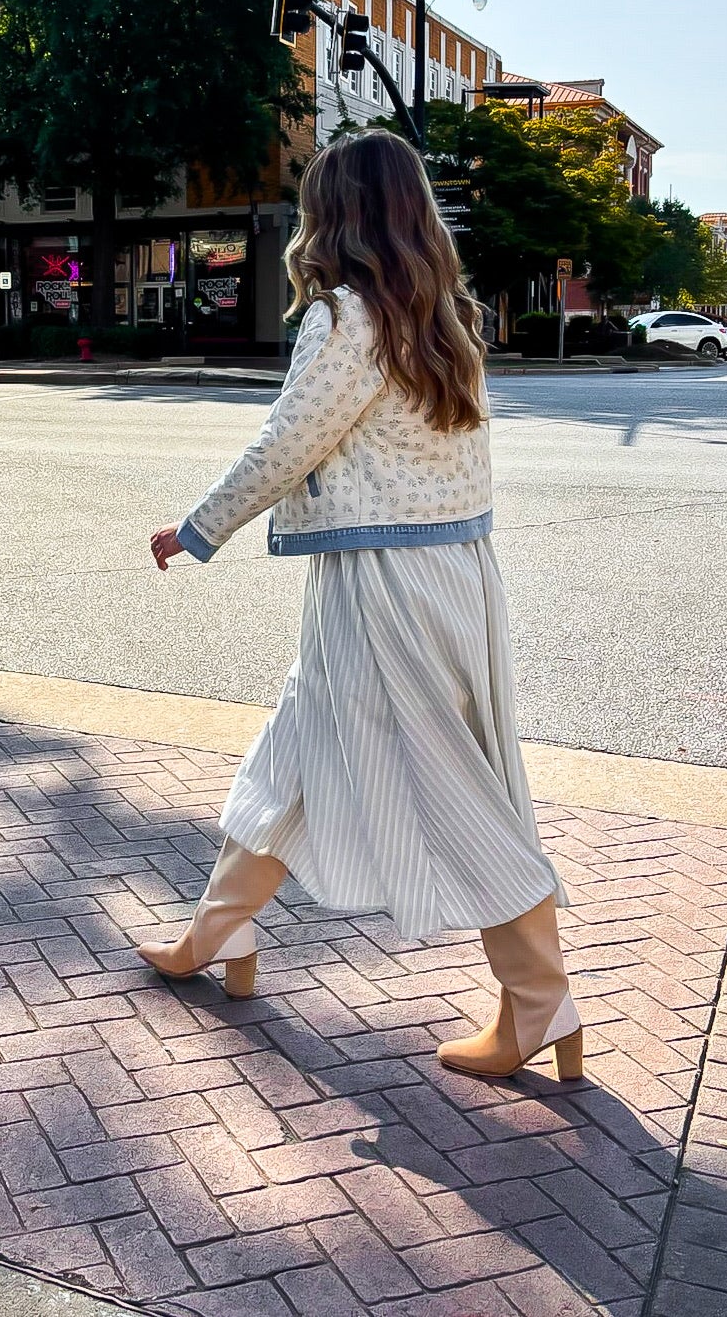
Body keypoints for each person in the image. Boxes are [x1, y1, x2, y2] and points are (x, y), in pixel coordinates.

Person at [142, 130, 581, 1083]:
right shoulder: (442, 316)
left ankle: (541, 1005)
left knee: (455, 793)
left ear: (332, 215)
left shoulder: (344, 317)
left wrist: (197, 528)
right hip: (453, 573)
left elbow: (286, 444)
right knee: (295, 755)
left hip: (382, 588)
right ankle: (210, 938)